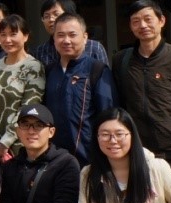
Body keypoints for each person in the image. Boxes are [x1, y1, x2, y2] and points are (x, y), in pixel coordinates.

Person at [112, 0, 171, 188]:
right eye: (136, 21)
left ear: (161, 21)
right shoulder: (121, 60)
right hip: (136, 151)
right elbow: (119, 105)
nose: (142, 25)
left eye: (148, 19)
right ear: (131, 26)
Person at [44, 14, 117, 166]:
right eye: (60, 35)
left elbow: (108, 115)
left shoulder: (97, 70)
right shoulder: (49, 71)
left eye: (72, 35)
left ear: (85, 37)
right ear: (54, 39)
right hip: (53, 159)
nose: (66, 40)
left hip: (89, 159)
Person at [0, 14, 46, 159]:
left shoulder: (33, 67)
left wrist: (5, 142)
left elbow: (28, 107)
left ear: (26, 36)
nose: (7, 40)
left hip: (18, 145)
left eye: (13, 34)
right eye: (3, 34)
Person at [31, 0, 110, 69]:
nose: (51, 19)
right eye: (46, 16)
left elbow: (104, 76)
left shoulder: (94, 47)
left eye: (56, 14)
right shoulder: (40, 51)